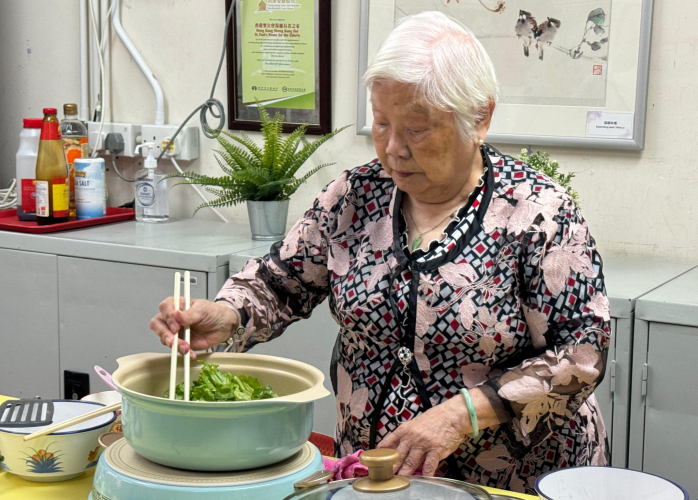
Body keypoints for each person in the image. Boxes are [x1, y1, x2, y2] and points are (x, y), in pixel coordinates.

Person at [149, 11, 609, 494]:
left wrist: (461, 415)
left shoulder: (536, 212)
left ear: (480, 118)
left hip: (511, 482)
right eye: (381, 122)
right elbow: (279, 283)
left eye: (417, 128)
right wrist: (226, 313)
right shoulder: (353, 197)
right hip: (379, 476)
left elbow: (581, 353)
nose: (392, 149)